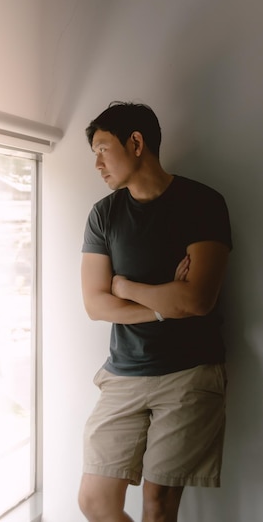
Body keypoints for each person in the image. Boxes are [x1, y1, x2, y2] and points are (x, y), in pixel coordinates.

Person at [78, 102, 232, 522]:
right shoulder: (103, 215)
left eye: (103, 149)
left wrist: (126, 287)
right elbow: (95, 304)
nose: (97, 163)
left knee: (158, 507)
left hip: (189, 374)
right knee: (94, 501)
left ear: (137, 143)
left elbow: (198, 300)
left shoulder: (204, 203)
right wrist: (164, 305)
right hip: (123, 373)